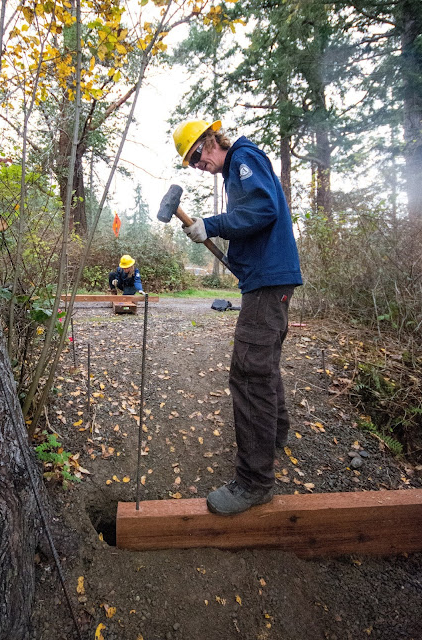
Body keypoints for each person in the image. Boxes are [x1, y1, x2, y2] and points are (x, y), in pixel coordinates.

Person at [172, 119, 303, 516]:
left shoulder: (244, 157)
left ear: (212, 140)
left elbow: (263, 209)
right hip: (266, 279)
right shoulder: (237, 170)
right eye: (191, 162)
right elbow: (255, 219)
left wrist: (211, 224)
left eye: (198, 154)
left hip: (269, 280)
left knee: (249, 372)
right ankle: (275, 435)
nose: (198, 164)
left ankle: (254, 481)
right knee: (264, 366)